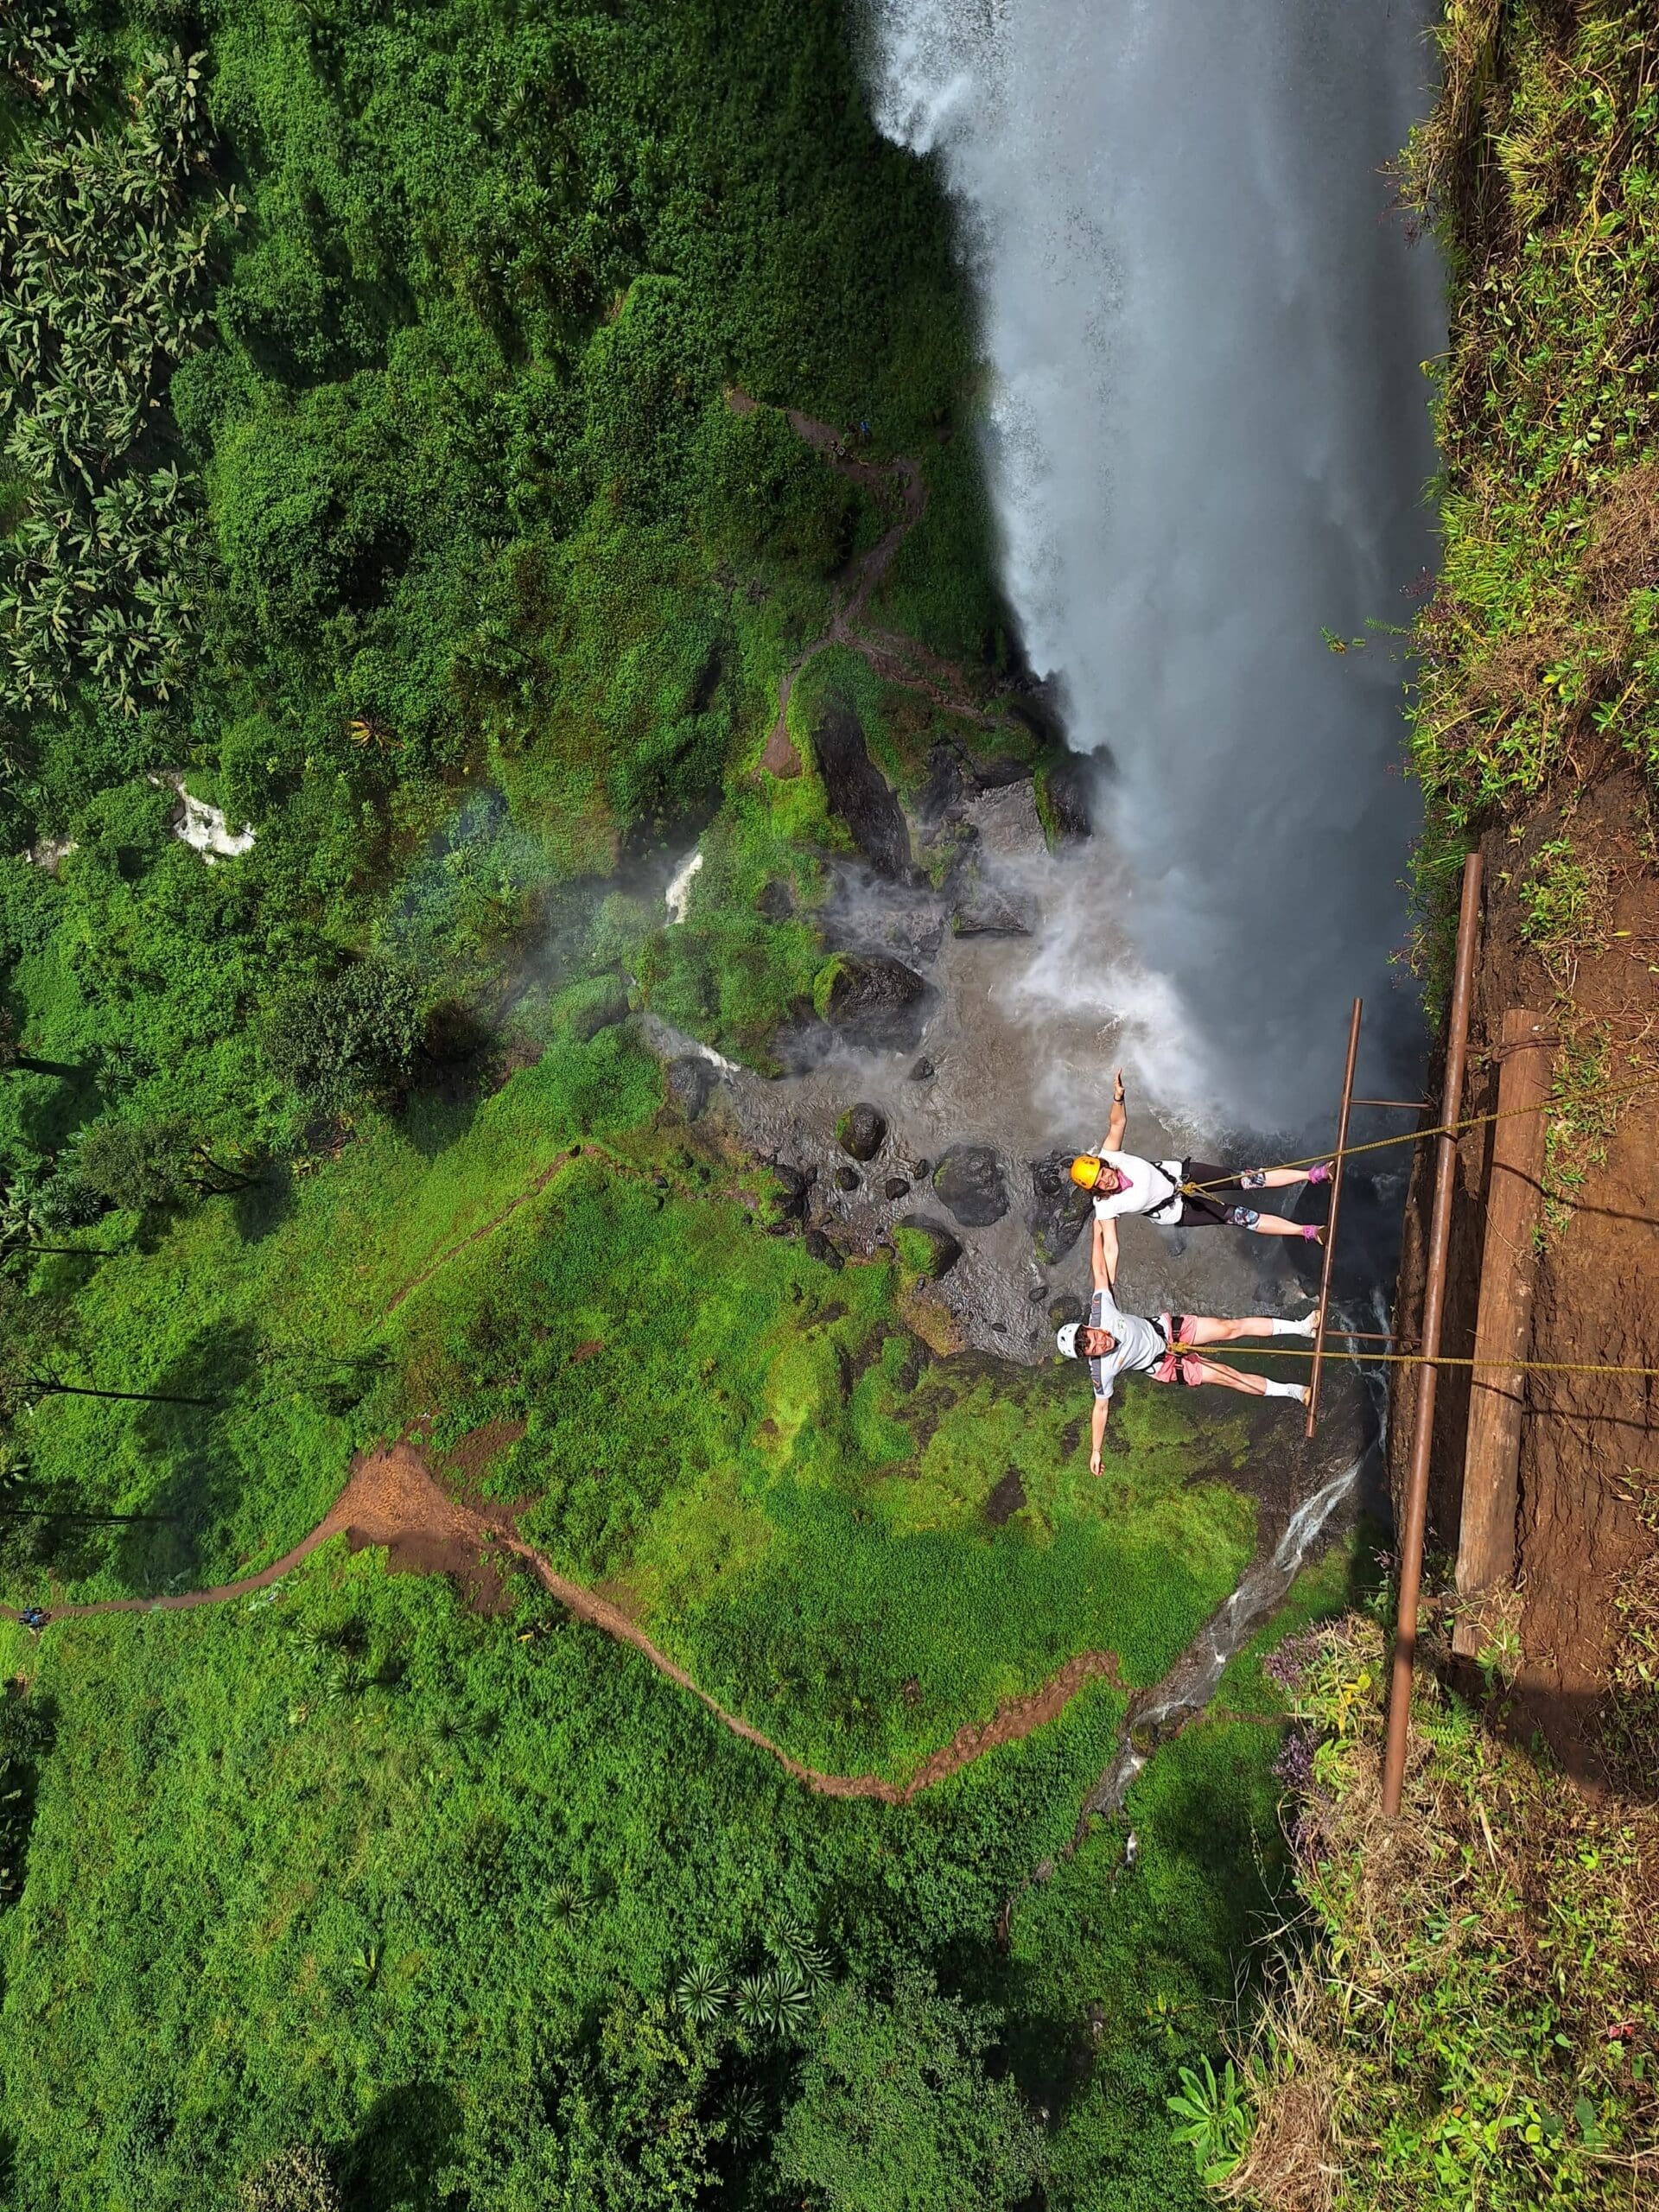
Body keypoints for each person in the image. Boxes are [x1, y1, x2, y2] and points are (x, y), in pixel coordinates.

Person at [1058, 1216, 1313, 1473]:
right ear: (1090, 1356)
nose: (1101, 1343)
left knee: (1230, 1328)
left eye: (1095, 1337)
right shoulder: (1102, 1371)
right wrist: (1096, 1450)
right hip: (1166, 1365)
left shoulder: (1102, 1310)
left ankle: (1301, 1328)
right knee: (1229, 1376)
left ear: (1090, 1327)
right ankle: (1294, 1391)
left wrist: (1097, 1230)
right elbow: (1100, 1408)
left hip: (1169, 1330)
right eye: (1094, 1348)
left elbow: (1099, 1270)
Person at [1069, 1068, 1331, 1241]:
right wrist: (1107, 1288)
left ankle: (1313, 1175)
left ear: (1104, 1164)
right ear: (1095, 1191)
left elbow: (1117, 1124)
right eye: (1099, 1184)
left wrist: (1118, 1097)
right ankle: (1306, 1231)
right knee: (1238, 1217)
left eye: (1103, 1173)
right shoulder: (1105, 1207)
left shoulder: (1111, 1155)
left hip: (1182, 1175)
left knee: (1248, 1179)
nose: (1106, 1180)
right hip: (1178, 1209)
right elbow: (1110, 1246)